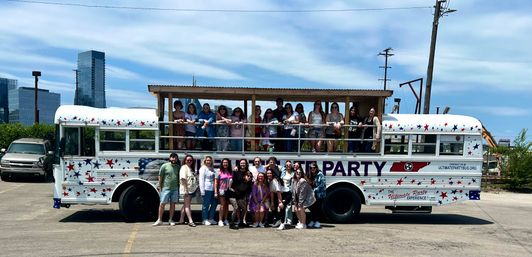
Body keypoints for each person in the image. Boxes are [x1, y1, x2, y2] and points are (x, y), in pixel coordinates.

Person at [153, 153, 180, 226]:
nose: (174, 159)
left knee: (173, 204)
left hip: (175, 189)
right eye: (172, 157)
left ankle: (170, 220)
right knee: (162, 204)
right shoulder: (164, 166)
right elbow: (160, 176)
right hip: (165, 188)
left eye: (175, 158)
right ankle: (159, 220)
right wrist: (160, 186)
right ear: (170, 158)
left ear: (177, 159)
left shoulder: (178, 167)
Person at [227, 159, 253, 229]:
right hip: (233, 193)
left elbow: (250, 184)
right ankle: (231, 224)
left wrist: (248, 180)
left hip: (242, 194)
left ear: (246, 164)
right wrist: (230, 188)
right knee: (236, 208)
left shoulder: (249, 173)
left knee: (244, 209)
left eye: (244, 163)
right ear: (239, 164)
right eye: (241, 163)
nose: (242, 165)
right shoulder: (235, 172)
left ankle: (241, 222)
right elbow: (231, 181)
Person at [178, 154, 197, 227]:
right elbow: (183, 179)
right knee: (187, 206)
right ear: (185, 161)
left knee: (185, 204)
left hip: (191, 190)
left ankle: (181, 220)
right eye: (188, 160)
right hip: (187, 190)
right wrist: (186, 190)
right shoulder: (184, 167)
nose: (189, 161)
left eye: (191, 160)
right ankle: (190, 221)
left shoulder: (190, 168)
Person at [199, 156, 217, 226]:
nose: (208, 161)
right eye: (207, 160)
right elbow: (201, 180)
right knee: (206, 205)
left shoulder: (212, 168)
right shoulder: (203, 168)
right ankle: (204, 219)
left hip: (213, 189)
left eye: (210, 160)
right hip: (206, 189)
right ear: (205, 161)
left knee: (214, 204)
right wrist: (202, 191)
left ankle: (211, 218)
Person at [307, 162, 326, 228]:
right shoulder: (311, 175)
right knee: (312, 209)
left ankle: (317, 222)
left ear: (316, 168)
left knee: (317, 209)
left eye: (314, 168)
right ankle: (312, 221)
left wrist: (314, 190)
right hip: (313, 195)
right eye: (311, 168)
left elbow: (322, 185)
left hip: (319, 194)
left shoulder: (320, 174)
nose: (312, 169)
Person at [214, 158, 232, 227]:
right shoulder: (219, 171)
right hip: (222, 190)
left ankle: (226, 219)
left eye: (226, 162)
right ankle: (220, 220)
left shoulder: (230, 171)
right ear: (222, 163)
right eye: (224, 162)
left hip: (229, 191)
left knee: (227, 206)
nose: (225, 164)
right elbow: (215, 183)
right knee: (222, 205)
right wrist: (215, 192)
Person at [277, 160, 294, 230]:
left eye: (289, 165)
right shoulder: (283, 172)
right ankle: (283, 222)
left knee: (288, 206)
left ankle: (288, 221)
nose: (288, 166)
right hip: (282, 191)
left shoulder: (294, 173)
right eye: (287, 165)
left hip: (289, 191)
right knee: (282, 206)